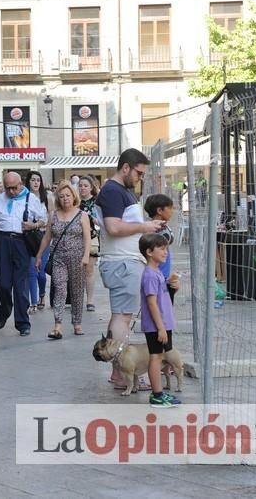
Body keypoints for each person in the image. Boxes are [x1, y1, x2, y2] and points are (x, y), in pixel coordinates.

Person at [95, 148, 164, 390]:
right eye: (138, 172)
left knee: (122, 316)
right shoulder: (113, 191)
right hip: (123, 262)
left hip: (125, 261)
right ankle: (123, 374)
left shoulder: (120, 191)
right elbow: (114, 228)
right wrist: (144, 226)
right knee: (123, 317)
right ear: (125, 167)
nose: (140, 177)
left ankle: (120, 373)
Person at [0, 171, 46, 336]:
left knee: (21, 285)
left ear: (21, 184)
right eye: (8, 188)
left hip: (21, 242)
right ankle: (5, 310)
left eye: (14, 188)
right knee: (4, 283)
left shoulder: (31, 199)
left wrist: (33, 226)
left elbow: (43, 220)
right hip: (2, 242)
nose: (11, 192)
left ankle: (22, 322)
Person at [35, 182, 90, 339]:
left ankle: (77, 322)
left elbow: (87, 237)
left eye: (68, 195)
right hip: (59, 257)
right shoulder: (53, 215)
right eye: (61, 196)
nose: (65, 199)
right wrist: (39, 255)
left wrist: (86, 255)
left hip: (78, 258)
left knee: (77, 290)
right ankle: (57, 325)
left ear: (73, 196)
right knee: (59, 288)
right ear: (57, 199)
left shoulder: (82, 215)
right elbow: (47, 237)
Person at [139, 233, 182, 407]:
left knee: (160, 356)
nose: (166, 252)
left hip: (162, 323)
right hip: (157, 325)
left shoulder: (157, 273)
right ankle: (157, 395)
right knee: (156, 358)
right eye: (162, 249)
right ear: (149, 252)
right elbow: (151, 303)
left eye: (166, 249)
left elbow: (162, 297)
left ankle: (159, 393)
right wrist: (161, 328)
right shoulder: (149, 275)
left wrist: (173, 287)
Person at [144, 194, 181, 304]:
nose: (172, 211)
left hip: (164, 277)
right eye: (169, 208)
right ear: (160, 210)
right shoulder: (156, 230)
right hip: (159, 279)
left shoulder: (162, 227)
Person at [25, 171, 52, 313]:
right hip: (29, 238)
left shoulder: (47, 198)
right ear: (28, 181)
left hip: (43, 237)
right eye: (33, 180)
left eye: (38, 180)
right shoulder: (24, 197)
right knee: (31, 270)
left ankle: (42, 294)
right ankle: (33, 302)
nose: (36, 183)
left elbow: (51, 218)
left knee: (41, 273)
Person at [78, 175, 101, 311]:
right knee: (76, 270)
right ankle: (77, 298)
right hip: (76, 237)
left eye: (85, 186)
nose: (82, 188)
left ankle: (90, 300)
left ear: (91, 187)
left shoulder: (97, 202)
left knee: (89, 269)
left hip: (92, 236)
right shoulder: (75, 202)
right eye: (80, 185)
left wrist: (96, 220)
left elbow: (101, 220)